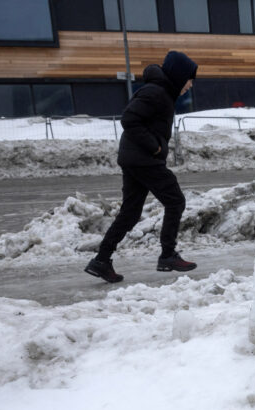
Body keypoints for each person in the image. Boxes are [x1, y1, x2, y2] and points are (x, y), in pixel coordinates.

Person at [84, 50, 199, 284]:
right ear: (179, 75)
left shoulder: (162, 92)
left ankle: (101, 260)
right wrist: (154, 146)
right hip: (143, 159)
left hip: (136, 159)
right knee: (175, 201)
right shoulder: (155, 92)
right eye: (189, 79)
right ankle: (167, 255)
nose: (190, 85)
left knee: (130, 213)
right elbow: (129, 119)